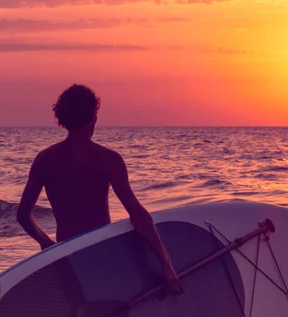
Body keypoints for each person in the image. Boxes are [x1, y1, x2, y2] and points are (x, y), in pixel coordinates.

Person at [16, 84, 180, 291]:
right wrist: (166, 262)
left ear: (63, 119)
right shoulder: (108, 160)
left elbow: (23, 215)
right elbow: (137, 214)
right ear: (93, 116)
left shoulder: (44, 160)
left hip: (68, 257)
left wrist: (47, 244)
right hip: (102, 251)